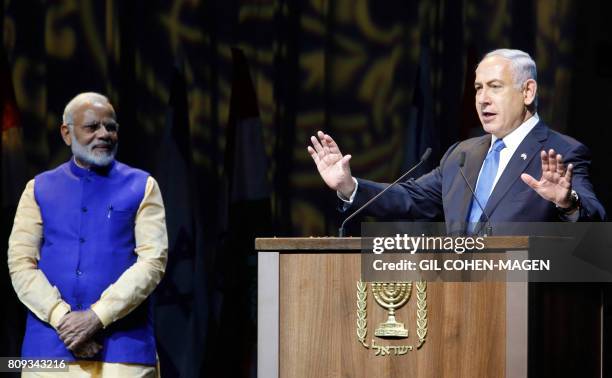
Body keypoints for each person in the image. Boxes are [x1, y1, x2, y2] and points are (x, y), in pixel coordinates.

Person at [308, 49, 606, 232]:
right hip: (458, 301)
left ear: (527, 92)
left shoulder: (561, 153)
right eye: (478, 88)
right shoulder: (462, 154)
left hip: (524, 302)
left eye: (495, 87)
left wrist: (568, 204)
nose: (482, 99)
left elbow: (595, 220)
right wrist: (349, 186)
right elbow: (412, 199)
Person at [8, 92, 168, 377]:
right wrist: (63, 319)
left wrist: (97, 317)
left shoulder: (143, 186)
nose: (104, 134)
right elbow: (20, 264)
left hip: (123, 352)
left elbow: (152, 262)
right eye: (92, 127)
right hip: (49, 351)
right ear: (66, 134)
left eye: (111, 127)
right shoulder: (38, 188)